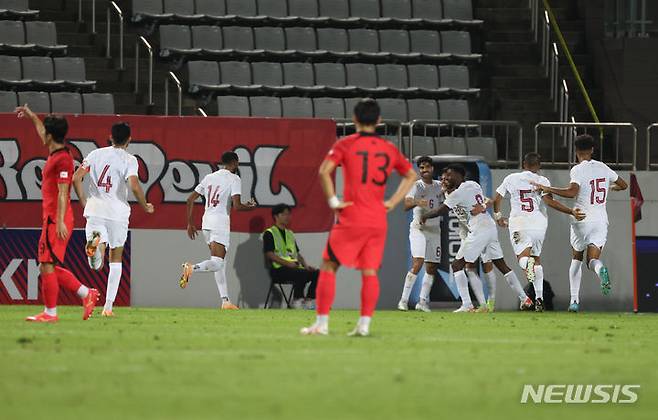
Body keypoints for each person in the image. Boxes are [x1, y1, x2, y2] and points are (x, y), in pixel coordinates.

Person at [301, 98, 417, 336]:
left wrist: (334, 202)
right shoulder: (388, 148)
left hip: (352, 215)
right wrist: (393, 202)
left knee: (329, 265)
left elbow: (324, 171)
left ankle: (321, 324)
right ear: (379, 121)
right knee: (370, 271)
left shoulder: (346, 144)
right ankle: (363, 326)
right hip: (377, 218)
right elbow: (411, 175)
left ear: (354, 119)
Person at [15, 105, 99, 322]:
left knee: (46, 264)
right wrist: (32, 115)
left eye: (46, 133)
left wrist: (60, 220)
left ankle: (51, 313)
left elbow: (64, 192)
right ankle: (85, 293)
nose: (42, 136)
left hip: (57, 218)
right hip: (53, 217)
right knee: (47, 265)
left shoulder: (62, 159)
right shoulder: (56, 151)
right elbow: (42, 131)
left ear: (51, 136)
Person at [532, 135, 627, 312]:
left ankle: (574, 302)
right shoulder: (603, 167)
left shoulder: (577, 169)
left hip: (581, 218)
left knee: (576, 258)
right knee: (593, 260)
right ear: (592, 150)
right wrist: (610, 188)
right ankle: (601, 270)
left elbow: (571, 192)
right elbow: (624, 185)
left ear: (576, 152)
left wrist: (548, 188)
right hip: (600, 220)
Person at [421, 164, 533, 312]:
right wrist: (483, 206)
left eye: (449, 175)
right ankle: (525, 299)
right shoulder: (472, 185)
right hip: (488, 227)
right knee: (501, 265)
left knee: (456, 266)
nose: (446, 179)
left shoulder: (458, 192)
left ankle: (467, 304)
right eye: (444, 177)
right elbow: (483, 200)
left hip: (479, 229)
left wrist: (425, 216)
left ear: (460, 175)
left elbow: (441, 210)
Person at [72, 122, 155, 317]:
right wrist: (145, 205)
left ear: (111, 137)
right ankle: (108, 307)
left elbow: (76, 178)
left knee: (97, 265)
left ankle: (94, 251)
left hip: (95, 209)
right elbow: (134, 186)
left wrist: (83, 199)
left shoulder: (95, 154)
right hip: (117, 214)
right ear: (129, 139)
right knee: (115, 259)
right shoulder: (129, 160)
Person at [492, 152, 585, 312]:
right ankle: (539, 299)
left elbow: (497, 199)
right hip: (539, 223)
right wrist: (571, 211)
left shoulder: (511, 178)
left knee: (524, 259)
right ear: (539, 166)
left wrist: (498, 216)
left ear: (523, 164)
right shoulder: (542, 181)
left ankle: (527, 265)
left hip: (520, 222)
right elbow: (550, 202)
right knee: (536, 260)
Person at [179, 151, 256, 309]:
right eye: (237, 163)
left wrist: (189, 223)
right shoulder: (234, 178)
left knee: (220, 262)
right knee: (218, 263)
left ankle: (225, 300)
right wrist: (250, 207)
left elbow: (190, 199)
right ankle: (191, 268)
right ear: (234, 163)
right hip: (220, 223)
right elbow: (237, 206)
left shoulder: (209, 177)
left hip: (206, 222)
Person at [397, 156, 443, 313]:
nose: (424, 170)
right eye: (421, 168)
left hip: (435, 230)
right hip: (418, 229)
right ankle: (403, 300)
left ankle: (422, 302)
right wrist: (417, 202)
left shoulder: (439, 186)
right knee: (418, 262)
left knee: (431, 267)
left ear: (432, 168)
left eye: (427, 167)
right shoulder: (416, 185)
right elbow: (405, 204)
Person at [263, 204, 318, 309]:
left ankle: (309, 300)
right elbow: (269, 254)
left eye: (289, 214)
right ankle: (297, 299)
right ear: (276, 216)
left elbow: (297, 254)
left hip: (294, 267)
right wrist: (288, 264)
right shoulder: (269, 233)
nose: (287, 217)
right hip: (278, 270)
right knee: (301, 273)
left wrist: (306, 265)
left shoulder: (290, 234)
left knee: (317, 273)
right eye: (284, 214)